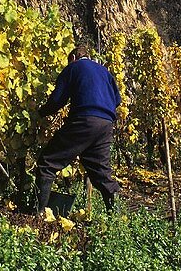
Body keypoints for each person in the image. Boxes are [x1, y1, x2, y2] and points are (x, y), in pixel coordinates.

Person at [35, 44, 121, 215]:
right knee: (101, 172)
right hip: (106, 124)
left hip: (85, 119)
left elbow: (57, 100)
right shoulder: (105, 71)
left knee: (47, 163)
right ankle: (116, 220)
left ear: (73, 58)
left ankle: (36, 215)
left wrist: (40, 113)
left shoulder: (73, 67)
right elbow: (117, 100)